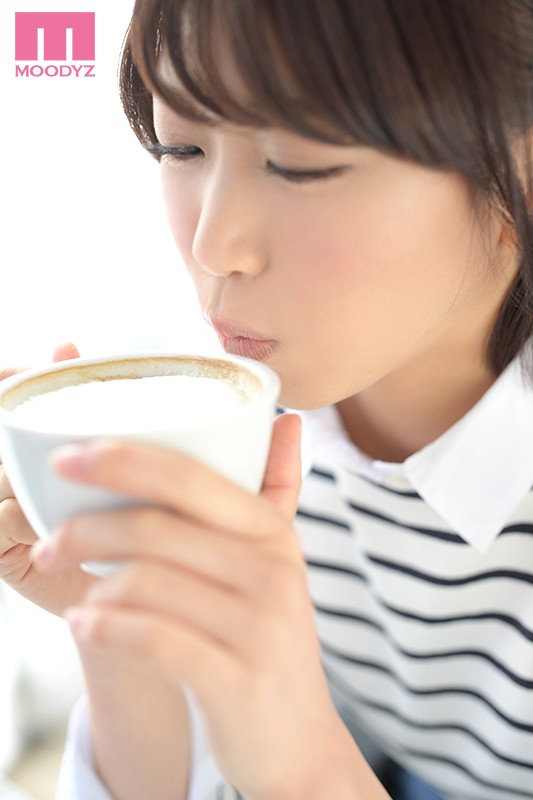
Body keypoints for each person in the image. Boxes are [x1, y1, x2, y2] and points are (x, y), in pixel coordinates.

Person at [1, 0, 533, 797]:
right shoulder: (234, 419)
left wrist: (301, 758)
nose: (213, 244)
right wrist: (123, 635)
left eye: (296, 166)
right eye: (179, 148)